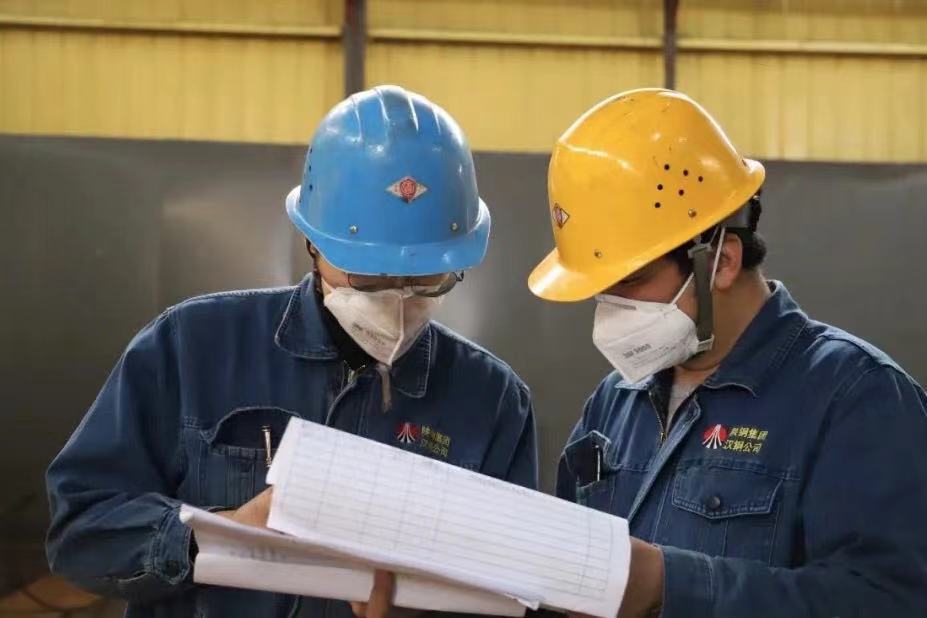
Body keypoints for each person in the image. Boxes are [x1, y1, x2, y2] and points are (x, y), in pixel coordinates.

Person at [46, 85, 538, 618]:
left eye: (425, 278)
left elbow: (513, 591)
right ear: (313, 241)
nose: (397, 297)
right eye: (368, 273)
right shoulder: (191, 348)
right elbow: (81, 529)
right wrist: (216, 536)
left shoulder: (491, 400)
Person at [528, 88, 927, 617]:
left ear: (720, 262)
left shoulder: (856, 398)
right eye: (603, 289)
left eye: (632, 280)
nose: (612, 310)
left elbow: (890, 599)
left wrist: (667, 587)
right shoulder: (615, 401)